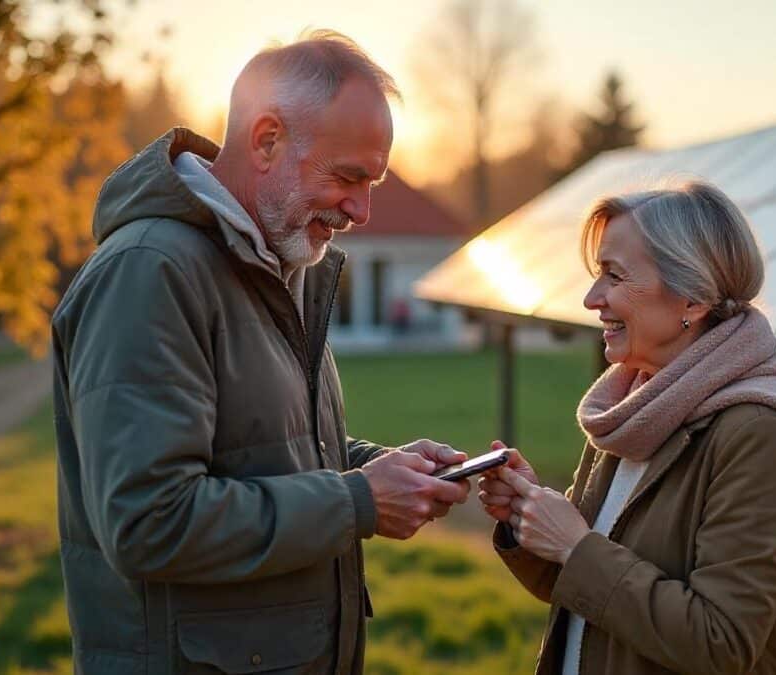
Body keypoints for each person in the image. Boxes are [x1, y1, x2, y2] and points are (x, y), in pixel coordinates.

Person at [51, 31, 470, 674]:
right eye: (348, 176)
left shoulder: (277, 263)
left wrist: (386, 470)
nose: (361, 209)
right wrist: (358, 499)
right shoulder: (150, 273)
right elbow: (148, 520)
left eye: (374, 182)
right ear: (268, 140)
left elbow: (266, 452)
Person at [478, 180, 776, 675]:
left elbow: (721, 644)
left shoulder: (759, 434)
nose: (591, 298)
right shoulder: (633, 409)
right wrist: (530, 522)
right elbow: (579, 587)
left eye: (615, 277)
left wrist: (576, 545)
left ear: (692, 301)